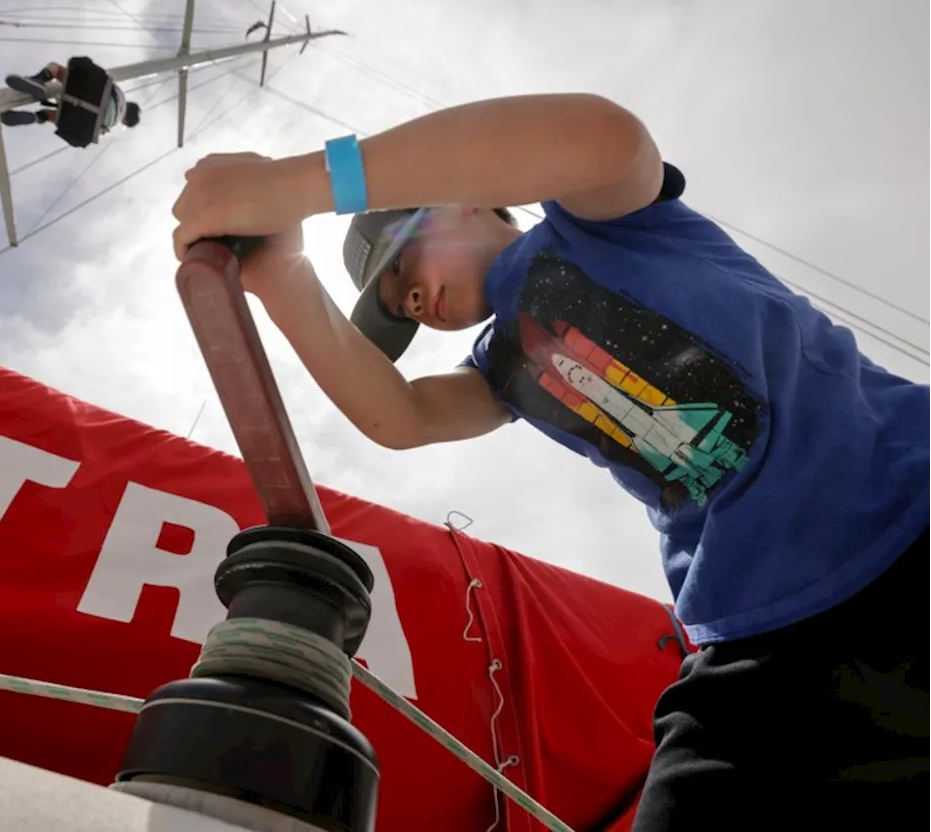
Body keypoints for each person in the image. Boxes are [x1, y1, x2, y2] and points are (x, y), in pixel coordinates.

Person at [170, 93, 931, 829]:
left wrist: (294, 186)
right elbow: (399, 417)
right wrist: (279, 272)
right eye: (400, 305)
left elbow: (604, 136)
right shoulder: (502, 366)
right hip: (764, 640)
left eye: (404, 264)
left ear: (460, 197)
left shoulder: (608, 221)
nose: (413, 302)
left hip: (905, 493)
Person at [1, 62, 141, 135]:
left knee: (56, 68)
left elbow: (101, 82)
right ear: (125, 121)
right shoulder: (110, 124)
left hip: (85, 95)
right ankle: (36, 117)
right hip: (83, 119)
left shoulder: (120, 95)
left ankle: (39, 80)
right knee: (56, 118)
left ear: (129, 104)